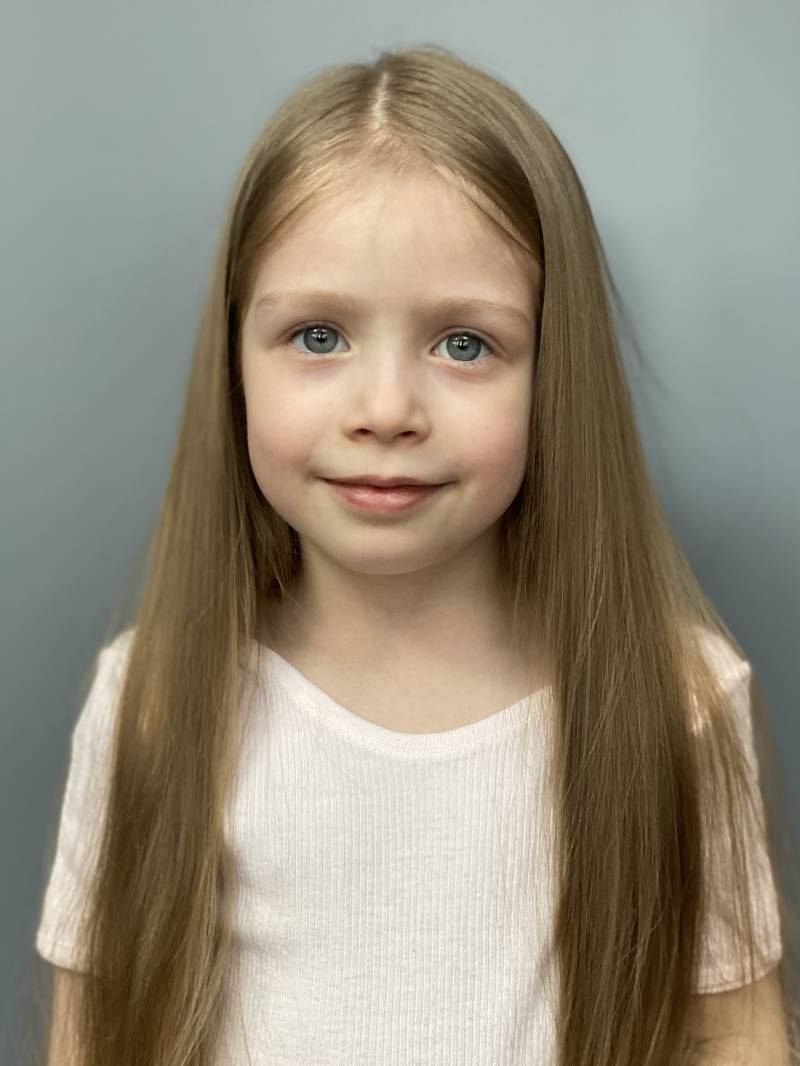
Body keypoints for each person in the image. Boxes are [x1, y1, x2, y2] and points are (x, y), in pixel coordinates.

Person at [33, 44, 796, 1065]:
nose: (386, 409)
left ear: (553, 373)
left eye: (463, 344)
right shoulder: (155, 699)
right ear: (234, 363)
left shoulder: (676, 702)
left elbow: (738, 1038)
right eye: (318, 336)